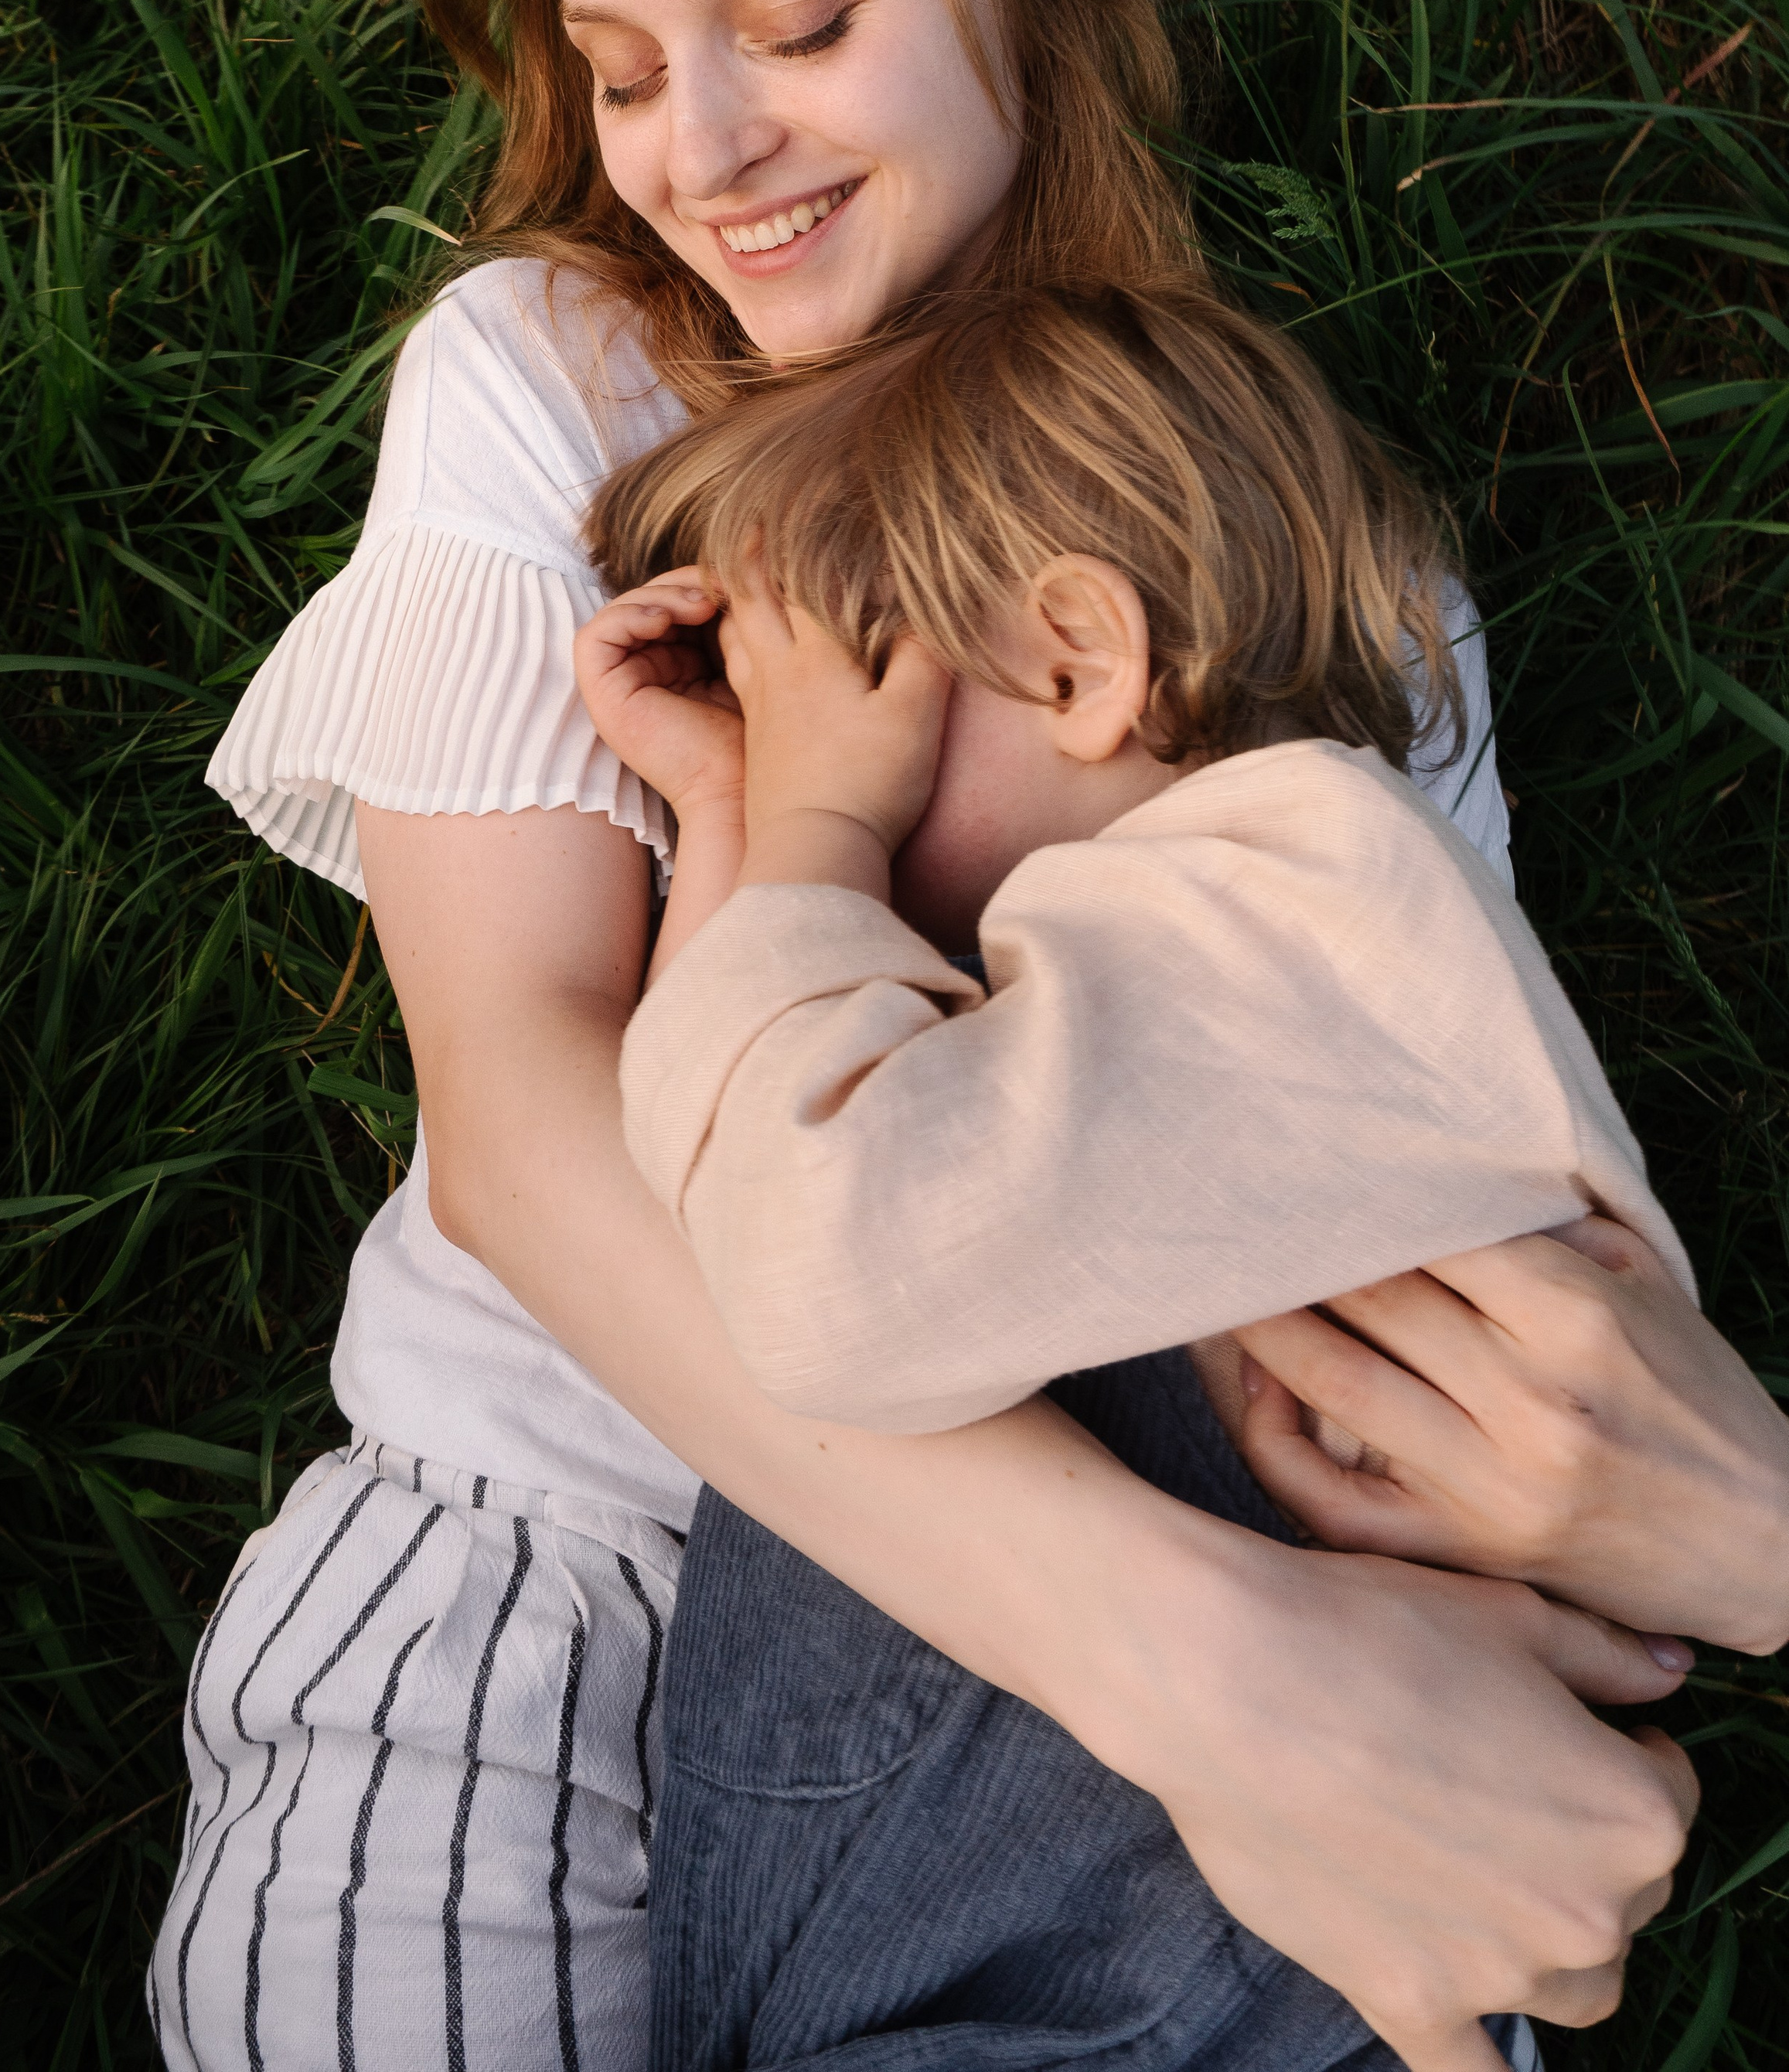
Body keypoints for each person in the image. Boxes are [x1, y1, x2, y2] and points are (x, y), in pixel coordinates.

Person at [152, 0, 1784, 2072]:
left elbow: (1420, 1221)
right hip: (551, 1550)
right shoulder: (567, 377)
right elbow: (517, 1111)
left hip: (1118, 1630)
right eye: (616, 73)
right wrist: (1214, 1674)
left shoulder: (1323, 556)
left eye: (801, 26)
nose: (698, 153)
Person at [572, 274, 1789, 2067]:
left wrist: (813, 836)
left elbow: (813, 1265)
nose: (806, 811)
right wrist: (753, 823)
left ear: (1076, 663)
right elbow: (713, 1195)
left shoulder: (1276, 901)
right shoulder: (1231, 961)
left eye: (845, 705)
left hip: (1075, 1973)